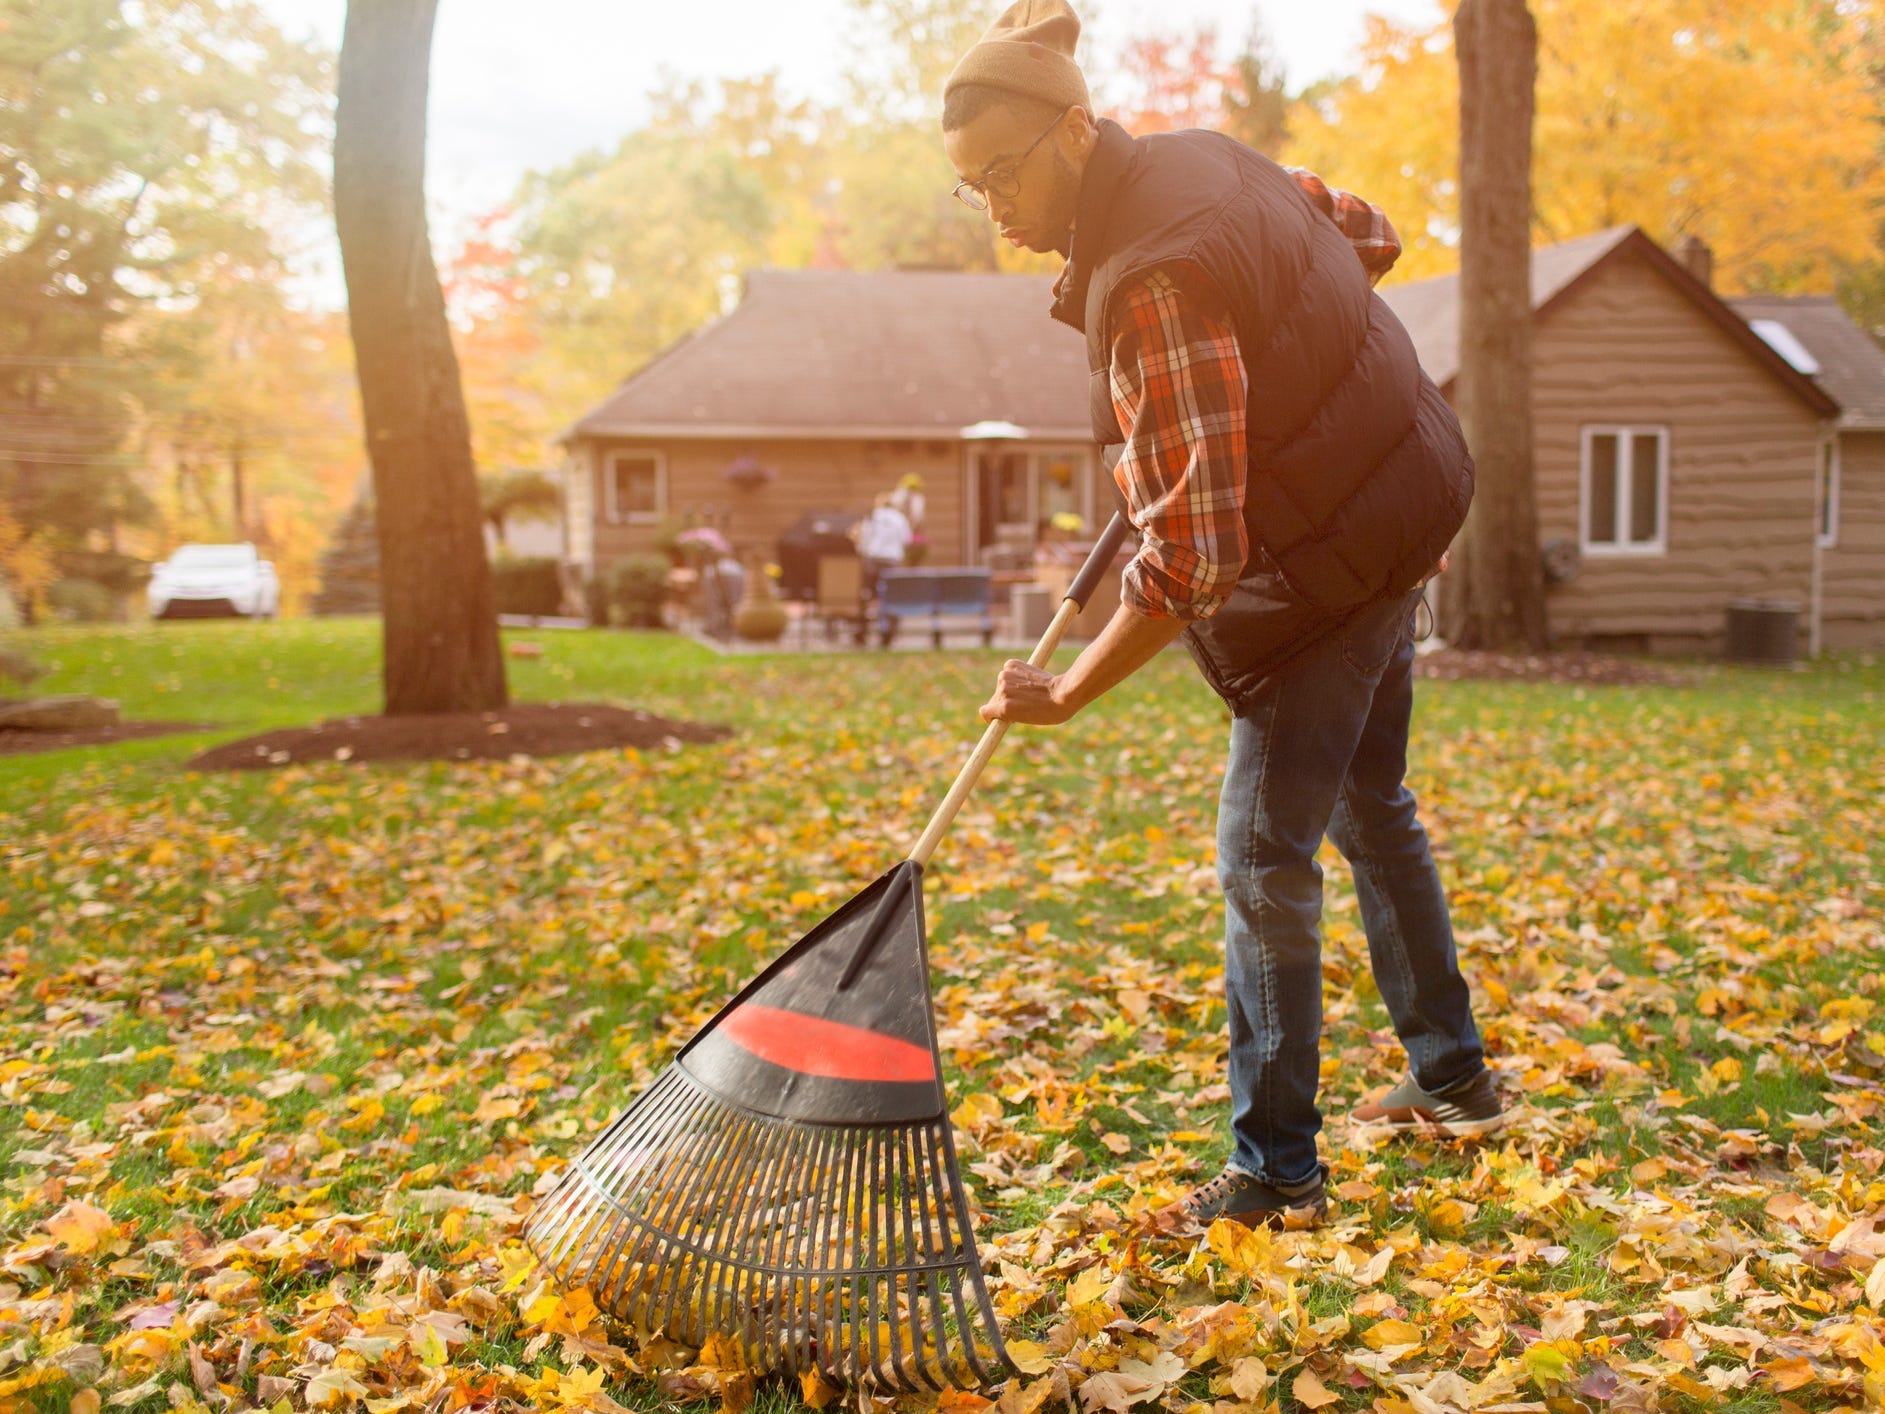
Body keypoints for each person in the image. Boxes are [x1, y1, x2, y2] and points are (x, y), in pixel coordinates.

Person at [942, 0, 1500, 1234]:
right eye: (968, 188)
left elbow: (1196, 553)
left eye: (1001, 174)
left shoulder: (1151, 285)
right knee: (1369, 799)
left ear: (1077, 133)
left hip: (1333, 565)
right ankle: (1454, 1074)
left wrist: (1069, 689)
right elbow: (1366, 229)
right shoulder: (1210, 156)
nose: (992, 209)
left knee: (1261, 858)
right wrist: (1289, 304)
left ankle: (1275, 1168)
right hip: (1406, 497)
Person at [851, 493, 913, 597]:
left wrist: (860, 549)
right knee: (891, 586)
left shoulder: (873, 516)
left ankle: (871, 606)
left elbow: (865, 536)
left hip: (874, 556)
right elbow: (907, 539)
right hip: (893, 557)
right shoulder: (899, 518)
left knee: (870, 587)